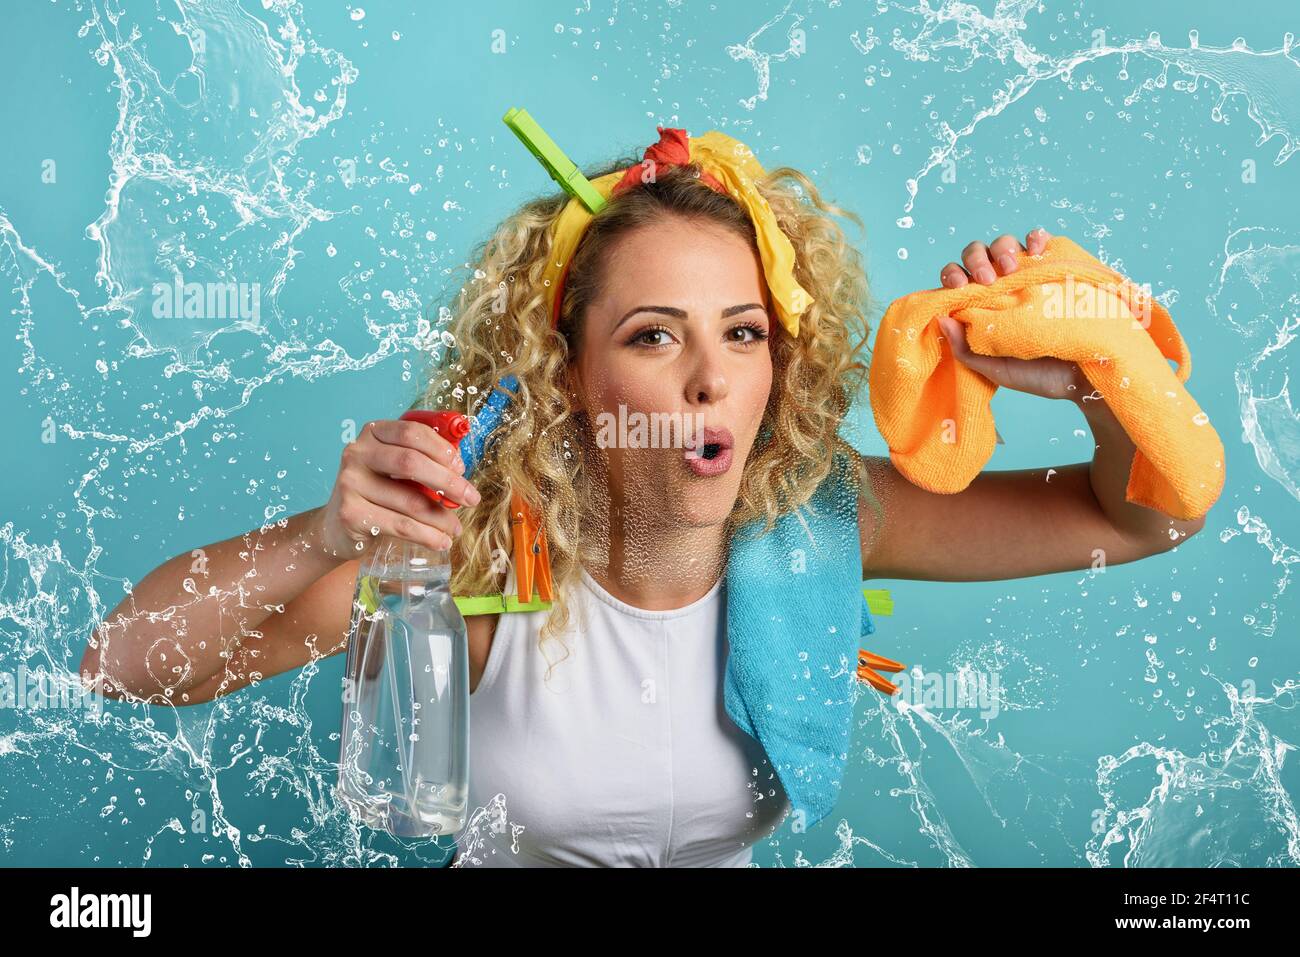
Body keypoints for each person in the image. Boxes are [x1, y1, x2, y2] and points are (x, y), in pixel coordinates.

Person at [80, 128, 1206, 868]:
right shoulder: (471, 559)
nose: (712, 378)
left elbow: (1141, 517)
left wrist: (1094, 387)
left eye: (744, 334)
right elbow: (122, 666)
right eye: (654, 335)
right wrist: (327, 534)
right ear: (568, 371)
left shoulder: (824, 518)